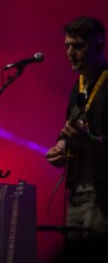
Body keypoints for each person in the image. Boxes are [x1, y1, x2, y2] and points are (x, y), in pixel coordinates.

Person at [46, 16, 108, 242]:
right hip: (75, 192)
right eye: (67, 46)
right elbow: (68, 128)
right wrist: (61, 145)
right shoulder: (78, 86)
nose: (70, 53)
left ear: (99, 46)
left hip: (101, 197)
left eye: (78, 46)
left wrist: (88, 141)